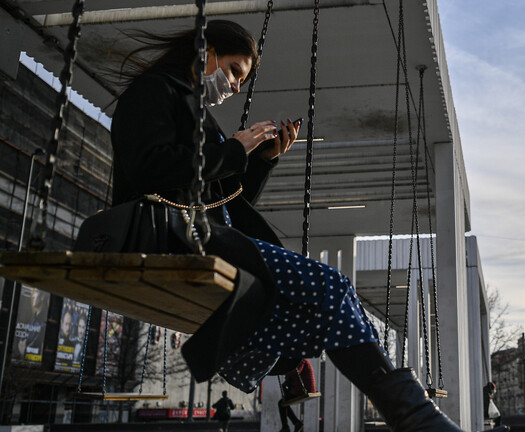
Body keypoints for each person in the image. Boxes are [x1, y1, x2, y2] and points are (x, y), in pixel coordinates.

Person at [84, 20, 462, 432]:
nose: (233, 86)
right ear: (204, 51)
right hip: (172, 236)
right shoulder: (154, 91)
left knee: (334, 305)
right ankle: (414, 416)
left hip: (201, 236)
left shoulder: (195, 111)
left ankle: (410, 415)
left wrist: (261, 160)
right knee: (331, 287)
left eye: (240, 79)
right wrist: (235, 149)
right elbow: (151, 168)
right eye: (233, 71)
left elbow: (223, 198)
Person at [278, 358, 316, 432]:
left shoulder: (301, 359)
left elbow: (296, 372)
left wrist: (285, 372)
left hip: (303, 390)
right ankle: (294, 424)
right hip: (302, 389)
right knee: (283, 402)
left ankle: (287, 426)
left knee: (281, 403)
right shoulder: (301, 359)